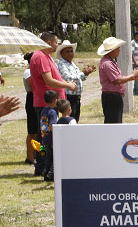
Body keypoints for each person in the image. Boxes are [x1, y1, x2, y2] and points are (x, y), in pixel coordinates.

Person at [30, 32, 77, 175]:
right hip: (47, 104)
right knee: (46, 138)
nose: (57, 45)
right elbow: (48, 80)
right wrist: (67, 85)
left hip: (49, 103)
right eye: (56, 42)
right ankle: (43, 166)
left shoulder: (45, 56)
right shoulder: (41, 57)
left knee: (45, 137)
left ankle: (44, 165)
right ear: (49, 42)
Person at [98, 37, 138, 123]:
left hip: (113, 97)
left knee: (115, 122)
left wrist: (132, 76)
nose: (119, 49)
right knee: (113, 123)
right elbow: (117, 80)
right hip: (112, 98)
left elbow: (118, 79)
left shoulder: (110, 61)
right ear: (112, 50)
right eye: (117, 48)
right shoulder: (108, 63)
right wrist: (132, 76)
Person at [56, 40, 96, 123]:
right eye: (67, 51)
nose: (70, 53)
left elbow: (78, 77)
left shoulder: (71, 63)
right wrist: (83, 73)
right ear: (62, 53)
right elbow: (68, 78)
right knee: (70, 120)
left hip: (75, 96)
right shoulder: (62, 64)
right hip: (69, 96)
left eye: (71, 51)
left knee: (74, 120)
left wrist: (85, 73)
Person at [40, 90, 59, 181]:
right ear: (55, 100)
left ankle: (46, 173)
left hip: (44, 138)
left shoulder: (43, 110)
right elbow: (52, 125)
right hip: (52, 139)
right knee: (54, 158)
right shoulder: (53, 112)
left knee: (48, 158)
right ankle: (50, 175)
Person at [23, 52, 36, 164]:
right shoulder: (28, 72)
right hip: (32, 99)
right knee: (32, 131)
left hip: (38, 99)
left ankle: (38, 154)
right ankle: (30, 156)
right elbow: (33, 87)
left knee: (39, 131)